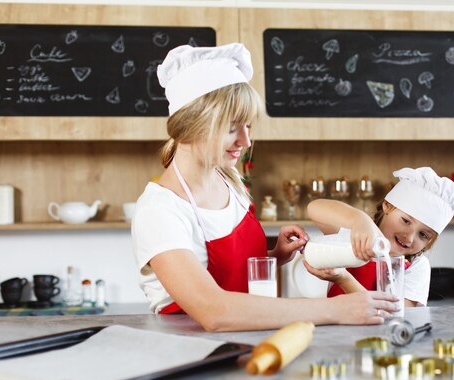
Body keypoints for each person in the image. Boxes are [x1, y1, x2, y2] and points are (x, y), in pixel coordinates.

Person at [131, 43, 398, 331]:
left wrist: (274, 256)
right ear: (191, 125)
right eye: (232, 127)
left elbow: (228, 275)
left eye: (249, 126)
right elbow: (213, 311)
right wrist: (334, 309)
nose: (245, 142)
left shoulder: (228, 180)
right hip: (190, 354)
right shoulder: (160, 211)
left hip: (246, 341)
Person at [305, 167, 454, 306]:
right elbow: (314, 208)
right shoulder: (350, 238)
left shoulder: (416, 266)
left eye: (423, 234)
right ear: (387, 206)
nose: (410, 237)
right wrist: (358, 219)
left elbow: (396, 314)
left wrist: (344, 279)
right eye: (405, 221)